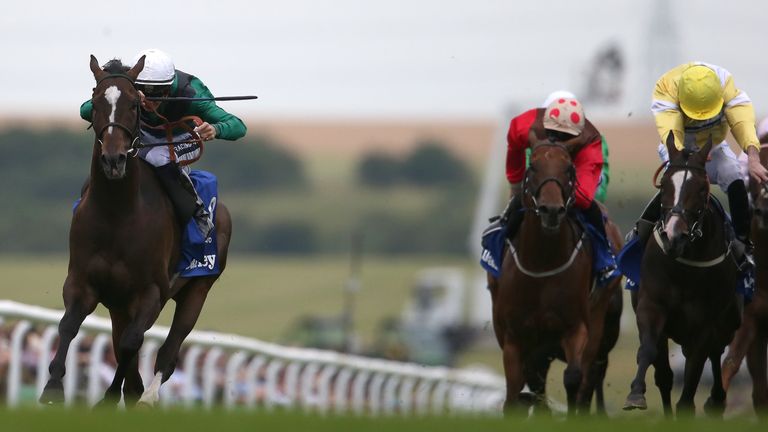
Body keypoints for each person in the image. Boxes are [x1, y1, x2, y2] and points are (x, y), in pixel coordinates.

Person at [80, 48, 247, 238]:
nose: (150, 100)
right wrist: (127, 97)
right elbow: (86, 110)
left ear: (169, 87)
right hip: (145, 134)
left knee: (159, 157)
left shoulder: (192, 92)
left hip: (182, 138)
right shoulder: (128, 89)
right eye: (144, 90)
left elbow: (239, 127)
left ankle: (198, 211)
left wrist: (216, 129)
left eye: (158, 93)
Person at [630, 62, 768, 262]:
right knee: (678, 179)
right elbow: (671, 132)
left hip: (712, 147)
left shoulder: (726, 86)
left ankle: (743, 243)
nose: (702, 118)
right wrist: (686, 159)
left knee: (733, 173)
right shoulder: (666, 88)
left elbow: (743, 123)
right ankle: (640, 236)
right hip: (677, 146)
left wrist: (753, 158)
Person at [499, 92, 616, 284]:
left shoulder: (591, 141)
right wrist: (516, 188)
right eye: (553, 134)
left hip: (576, 170)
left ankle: (605, 259)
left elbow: (584, 196)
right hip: (543, 169)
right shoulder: (523, 127)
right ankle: (496, 251)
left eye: (566, 136)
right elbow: (517, 156)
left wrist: (559, 194)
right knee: (519, 199)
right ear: (544, 123)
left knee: (587, 205)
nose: (558, 139)